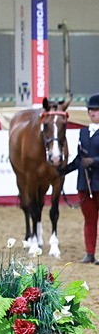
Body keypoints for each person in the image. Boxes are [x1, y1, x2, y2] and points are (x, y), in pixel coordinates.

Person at [64, 93, 99, 263]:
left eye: (96, 110)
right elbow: (79, 158)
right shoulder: (83, 133)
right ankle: (90, 252)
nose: (93, 113)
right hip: (85, 184)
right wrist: (62, 170)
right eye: (91, 110)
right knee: (89, 220)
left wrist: (93, 161)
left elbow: (88, 159)